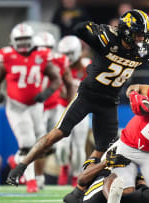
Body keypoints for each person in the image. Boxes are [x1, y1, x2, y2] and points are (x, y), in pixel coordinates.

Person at [7, 9, 149, 187]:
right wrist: (92, 28)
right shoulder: (107, 39)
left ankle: (81, 186)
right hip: (88, 94)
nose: (142, 38)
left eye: (144, 34)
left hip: (109, 101)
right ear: (126, 31)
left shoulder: (140, 49)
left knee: (104, 151)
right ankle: (22, 165)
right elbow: (78, 29)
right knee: (59, 132)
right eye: (138, 33)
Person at [0, 23, 61, 193]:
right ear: (12, 41)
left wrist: (46, 93)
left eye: (26, 40)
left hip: (36, 106)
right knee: (27, 144)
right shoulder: (7, 56)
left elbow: (56, 79)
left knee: (41, 145)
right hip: (16, 106)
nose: (23, 44)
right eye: (20, 40)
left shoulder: (41, 54)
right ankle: (31, 182)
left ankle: (16, 160)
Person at [64, 146, 149, 203]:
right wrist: (105, 163)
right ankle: (113, 199)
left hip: (126, 196)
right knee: (114, 177)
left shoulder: (139, 160)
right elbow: (81, 180)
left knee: (148, 190)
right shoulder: (100, 158)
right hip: (97, 196)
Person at [33, 31, 76, 189]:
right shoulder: (28, 60)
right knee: (36, 144)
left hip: (55, 106)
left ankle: (33, 174)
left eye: (48, 47)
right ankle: (36, 178)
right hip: (35, 108)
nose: (45, 50)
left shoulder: (59, 60)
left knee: (55, 144)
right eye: (41, 47)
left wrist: (70, 102)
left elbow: (68, 83)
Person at [55, 35, 91, 186]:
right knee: (61, 147)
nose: (67, 57)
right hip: (63, 108)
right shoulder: (57, 65)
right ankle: (64, 167)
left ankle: (76, 175)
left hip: (81, 110)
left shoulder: (87, 65)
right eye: (65, 54)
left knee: (78, 147)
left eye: (70, 53)